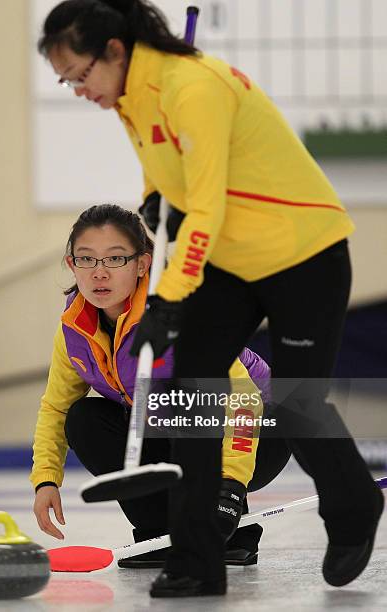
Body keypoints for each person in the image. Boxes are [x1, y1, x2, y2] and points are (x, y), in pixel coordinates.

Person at [37, 0, 384, 598]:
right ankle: (199, 555)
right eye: (64, 80)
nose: (76, 89)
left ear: (114, 52)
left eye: (79, 74)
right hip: (231, 252)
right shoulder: (131, 100)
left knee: (300, 404)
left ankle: (353, 505)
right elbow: (164, 177)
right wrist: (152, 203)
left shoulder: (192, 87)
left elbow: (207, 207)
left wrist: (168, 298)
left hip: (301, 249)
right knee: (193, 378)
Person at [30, 204, 282, 571]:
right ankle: (157, 533)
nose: (99, 273)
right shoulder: (75, 328)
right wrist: (46, 480)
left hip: (260, 429)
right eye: (86, 259)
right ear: (71, 264)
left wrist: (229, 487)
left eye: (115, 259)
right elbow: (55, 407)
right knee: (84, 418)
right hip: (170, 429)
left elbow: (241, 400)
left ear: (142, 264)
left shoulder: (179, 313)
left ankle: (233, 530)